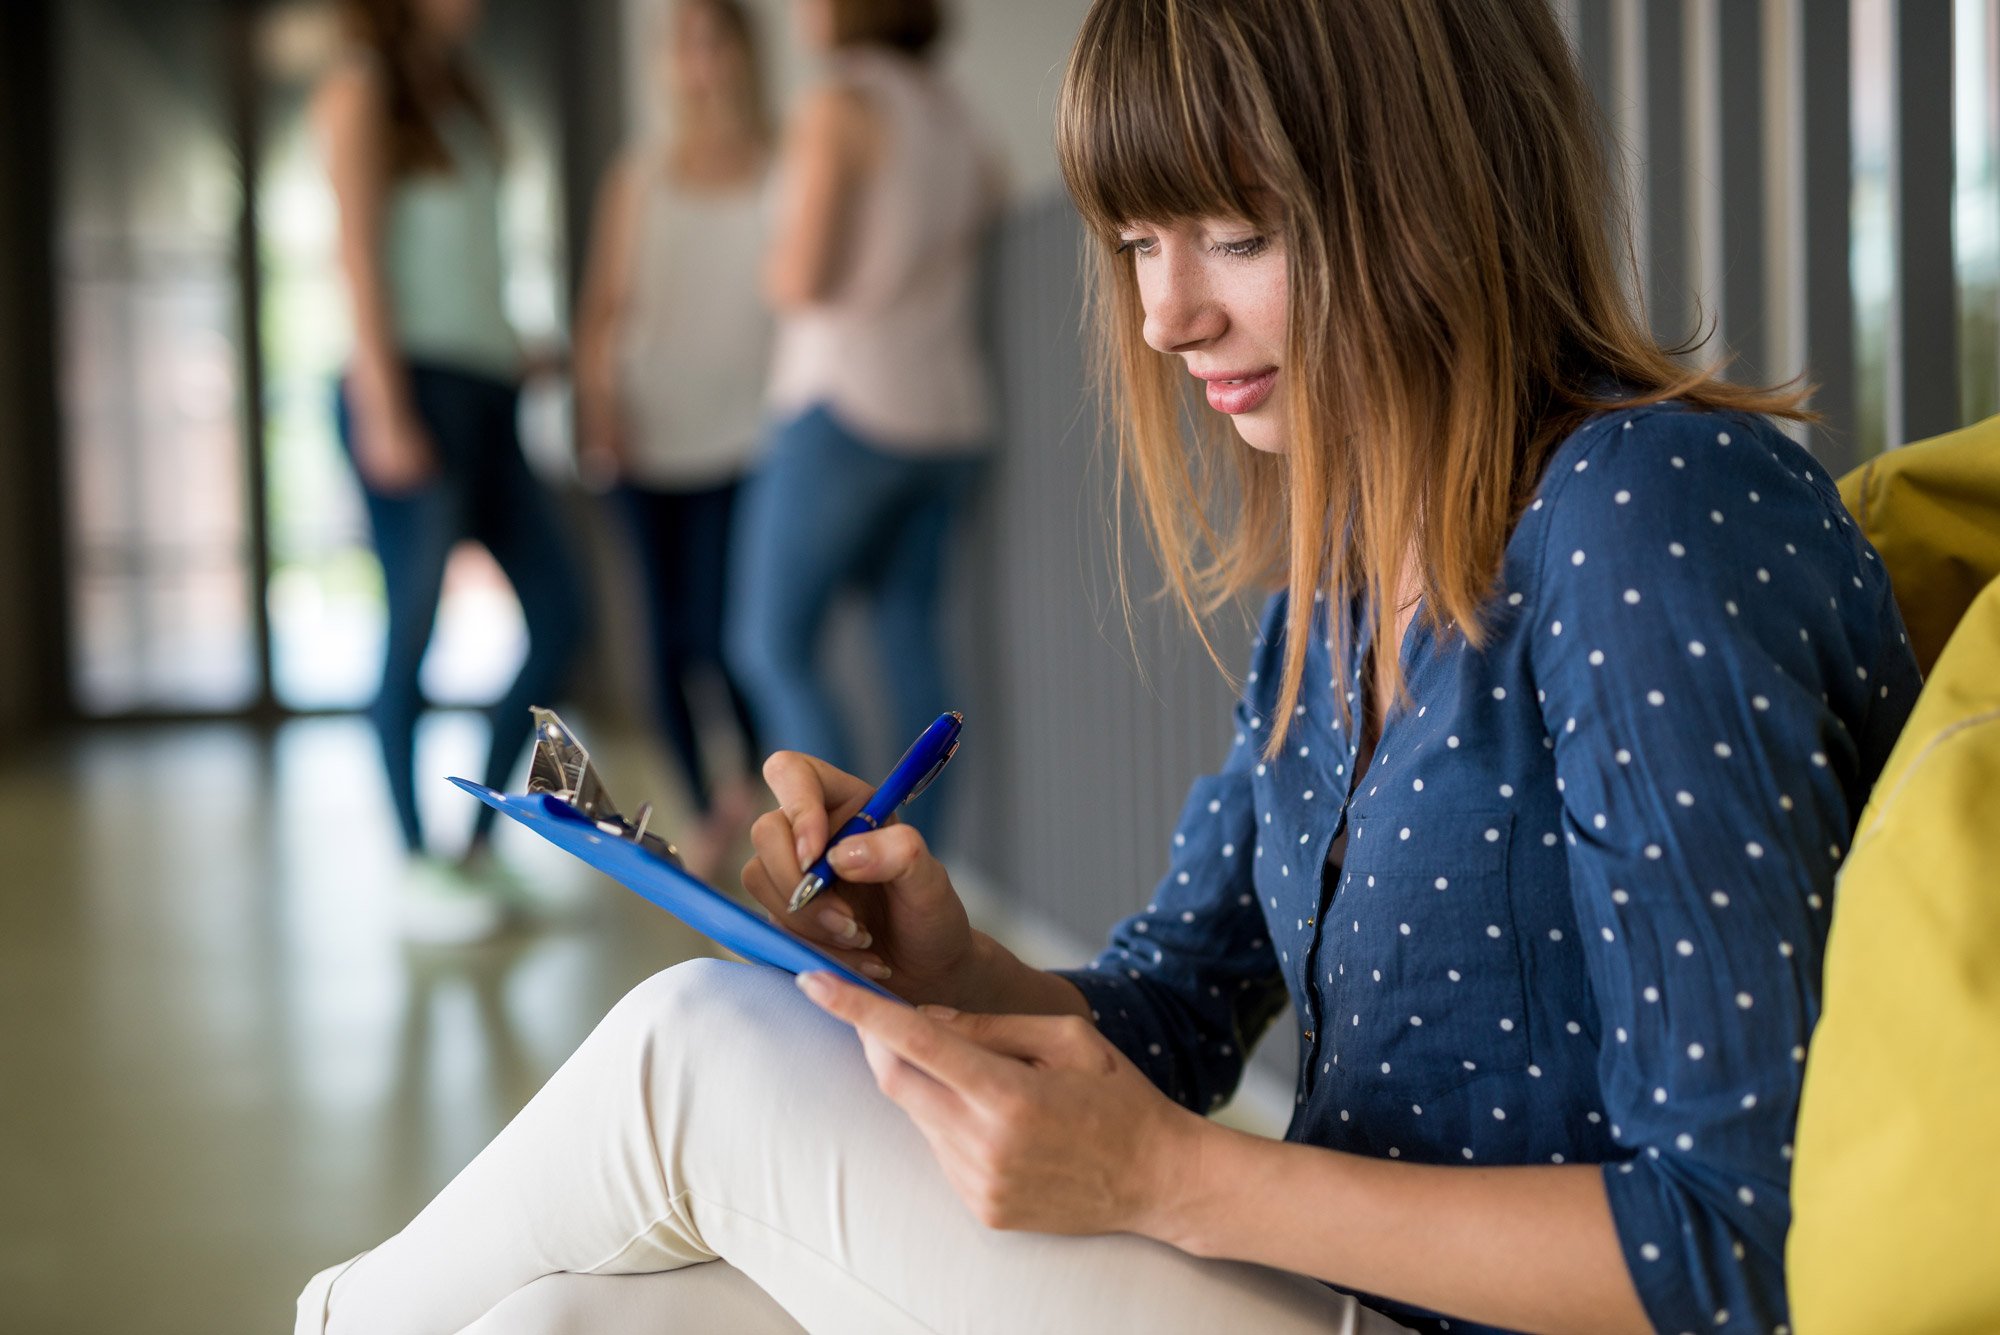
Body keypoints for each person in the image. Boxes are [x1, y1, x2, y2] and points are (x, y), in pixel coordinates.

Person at [296, 1, 1921, 1331]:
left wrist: (1173, 1181)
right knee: (565, 1328)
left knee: (693, 1056)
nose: (1166, 317)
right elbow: (1169, 1018)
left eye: (1233, 230)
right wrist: (945, 961)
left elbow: (1740, 1244)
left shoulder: (1650, 515)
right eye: (1138, 241)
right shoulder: (1342, 581)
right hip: (1330, 1284)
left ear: (1436, 193)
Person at [317, 0, 586, 940]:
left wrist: (519, 348)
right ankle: (411, 862)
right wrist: (384, 406)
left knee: (562, 615)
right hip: (408, 387)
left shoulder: (466, 96)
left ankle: (472, 845)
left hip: (487, 389)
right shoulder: (360, 86)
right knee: (414, 625)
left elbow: (467, 262)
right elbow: (359, 258)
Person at [724, 0, 999, 841]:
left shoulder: (840, 106)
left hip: (844, 407)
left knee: (769, 644)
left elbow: (802, 275)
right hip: (947, 418)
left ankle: (838, 858)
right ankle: (922, 866)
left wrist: (763, 257)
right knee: (909, 642)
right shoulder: (957, 118)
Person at [574, 0, 773, 882]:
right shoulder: (639, 177)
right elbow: (602, 315)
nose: (700, 62)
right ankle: (703, 808)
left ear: (740, 54)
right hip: (648, 443)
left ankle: (747, 789)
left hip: (749, 440)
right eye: (683, 44)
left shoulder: (783, 168)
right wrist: (597, 406)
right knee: (664, 643)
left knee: (735, 638)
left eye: (713, 41)